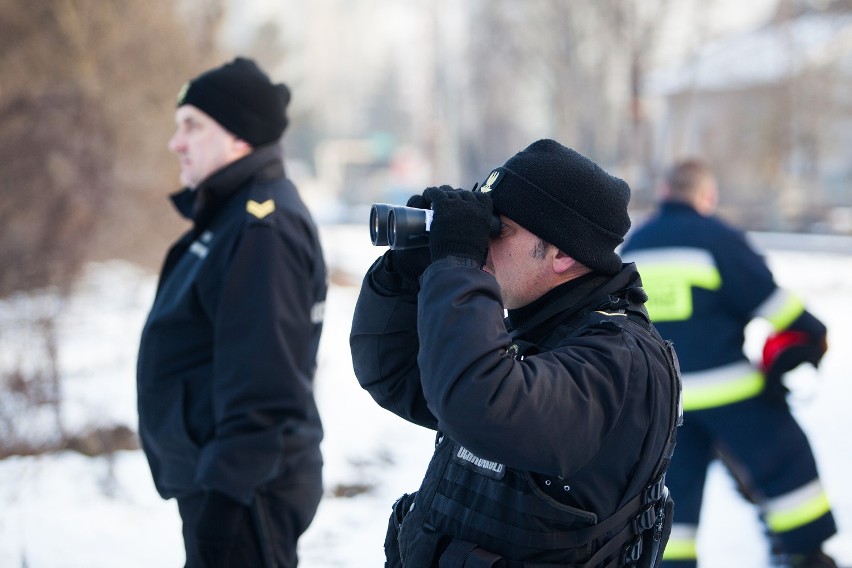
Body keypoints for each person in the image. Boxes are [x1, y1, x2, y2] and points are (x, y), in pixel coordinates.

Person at [350, 139, 682, 567]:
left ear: (562, 253)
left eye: (495, 229)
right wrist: (409, 271)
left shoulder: (620, 360)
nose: (480, 245)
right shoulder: (532, 332)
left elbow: (481, 405)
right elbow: (392, 372)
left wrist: (457, 265)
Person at [137, 57, 327, 568]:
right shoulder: (232, 217)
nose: (177, 142)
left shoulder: (261, 229)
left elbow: (265, 387)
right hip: (225, 481)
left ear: (239, 137)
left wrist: (224, 503)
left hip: (246, 492)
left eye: (192, 126)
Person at [621, 159, 836, 568]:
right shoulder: (717, 238)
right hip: (730, 392)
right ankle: (806, 554)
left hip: (662, 404)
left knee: (669, 497)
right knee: (786, 463)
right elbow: (774, 305)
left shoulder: (635, 245)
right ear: (708, 196)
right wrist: (809, 333)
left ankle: (668, 561)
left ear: (665, 194)